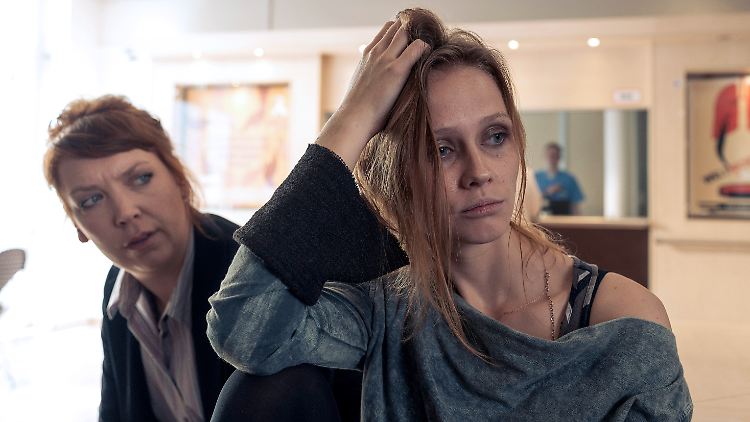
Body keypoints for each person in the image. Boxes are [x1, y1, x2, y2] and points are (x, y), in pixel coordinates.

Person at [207, 8, 692, 421]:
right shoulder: (386, 309)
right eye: (441, 149)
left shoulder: (618, 318)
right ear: (398, 175)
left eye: (495, 137)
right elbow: (244, 330)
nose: (479, 172)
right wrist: (355, 114)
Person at [43, 95, 360, 422]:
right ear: (77, 225)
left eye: (141, 178)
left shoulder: (255, 274)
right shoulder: (119, 293)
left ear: (179, 179)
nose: (125, 212)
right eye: (91, 200)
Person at [534, 142, 584, 215]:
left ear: (559, 157)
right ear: (545, 156)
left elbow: (575, 206)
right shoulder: (536, 177)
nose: (552, 158)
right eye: (550, 155)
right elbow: (531, 201)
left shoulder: (569, 179)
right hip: (541, 217)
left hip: (564, 218)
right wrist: (548, 192)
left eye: (555, 156)